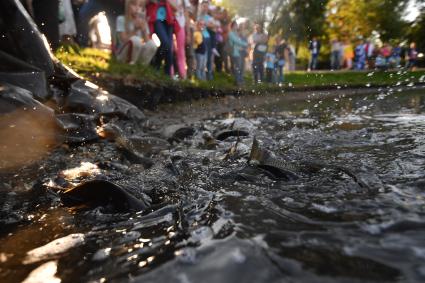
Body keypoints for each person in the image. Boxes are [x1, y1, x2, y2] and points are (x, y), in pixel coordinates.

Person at [115, 0, 157, 65]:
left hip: (137, 53)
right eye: (134, 5)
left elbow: (147, 42)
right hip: (123, 55)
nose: (137, 8)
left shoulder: (143, 22)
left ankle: (141, 67)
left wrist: (144, 30)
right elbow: (123, 40)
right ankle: (129, 66)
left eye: (140, 6)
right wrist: (135, 30)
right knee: (136, 40)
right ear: (128, 6)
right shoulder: (121, 19)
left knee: (152, 44)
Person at [147, 0, 176, 76]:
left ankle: (167, 75)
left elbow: (176, 7)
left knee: (169, 49)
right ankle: (156, 64)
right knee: (166, 43)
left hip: (168, 20)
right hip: (157, 18)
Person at [174, 0, 190, 79]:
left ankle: (183, 75)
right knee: (170, 49)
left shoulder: (185, 1)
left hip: (181, 25)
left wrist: (188, 33)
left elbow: (186, 15)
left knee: (181, 51)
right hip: (171, 23)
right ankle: (170, 74)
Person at [228, 20, 248, 86]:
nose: (235, 26)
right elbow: (237, 41)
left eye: (236, 25)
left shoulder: (238, 33)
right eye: (234, 25)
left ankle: (241, 80)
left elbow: (242, 39)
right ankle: (238, 81)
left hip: (241, 52)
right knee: (238, 67)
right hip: (235, 52)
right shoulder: (231, 33)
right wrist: (245, 44)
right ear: (232, 26)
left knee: (242, 67)